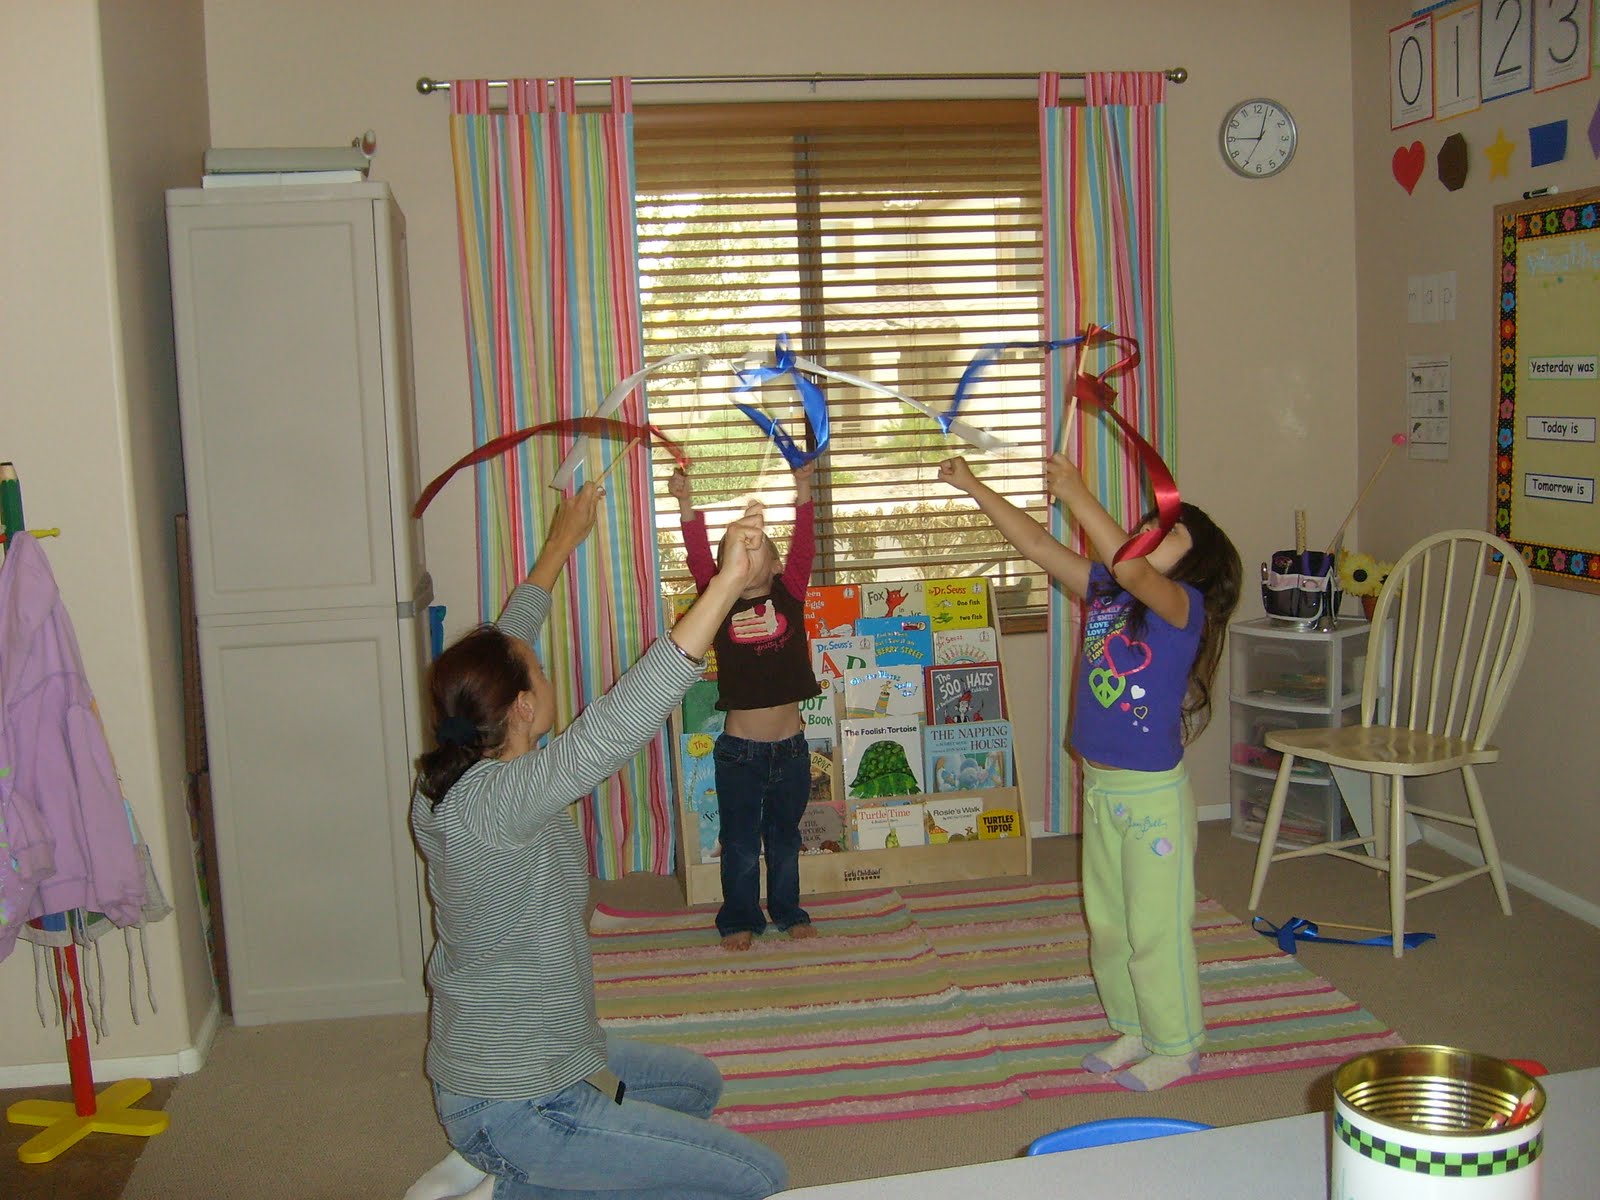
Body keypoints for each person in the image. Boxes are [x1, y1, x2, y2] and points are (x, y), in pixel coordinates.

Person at [410, 481, 789, 1199]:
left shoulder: (471, 760)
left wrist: (563, 540)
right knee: (756, 1178)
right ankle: (505, 1179)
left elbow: (509, 638)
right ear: (523, 706)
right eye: (541, 673)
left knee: (695, 1087)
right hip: (516, 1100)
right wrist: (725, 584)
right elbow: (614, 725)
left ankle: (524, 1166)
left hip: (555, 1050)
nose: (546, 673)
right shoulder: (495, 803)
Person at [938, 452, 1240, 1092]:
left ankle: (1178, 1043)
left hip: (1154, 800)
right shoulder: (1108, 591)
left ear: (1194, 561)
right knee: (1109, 924)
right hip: (1104, 792)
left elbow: (1129, 563)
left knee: (1155, 928)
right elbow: (1037, 543)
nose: (1146, 537)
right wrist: (974, 487)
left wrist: (1078, 490)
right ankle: (1135, 1025)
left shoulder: (1182, 607)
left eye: (1167, 534)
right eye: (1147, 527)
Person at [668, 462, 821, 952]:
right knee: (738, 844)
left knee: (784, 840)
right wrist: (686, 506)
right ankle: (738, 916)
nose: (750, 554)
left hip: (792, 751)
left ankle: (787, 908)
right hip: (740, 754)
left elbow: (804, 546)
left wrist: (802, 489)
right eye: (740, 550)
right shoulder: (721, 602)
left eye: (760, 549)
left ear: (777, 566)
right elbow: (697, 559)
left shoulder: (790, 593)